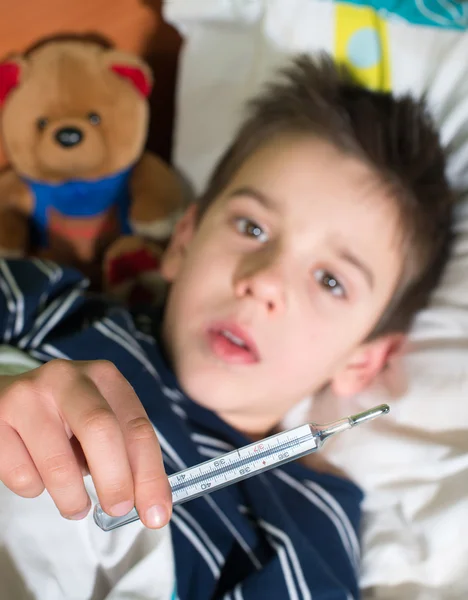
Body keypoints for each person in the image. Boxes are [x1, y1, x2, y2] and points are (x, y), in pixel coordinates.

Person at [0, 54, 454, 599]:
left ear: (364, 359)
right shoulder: (51, 305)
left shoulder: (305, 527)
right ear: (185, 239)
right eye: (252, 226)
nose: (264, 282)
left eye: (331, 281)